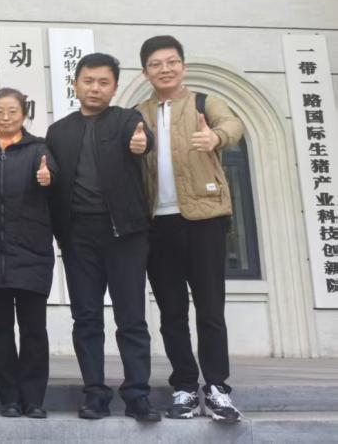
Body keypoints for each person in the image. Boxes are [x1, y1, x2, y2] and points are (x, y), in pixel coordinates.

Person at [135, 35, 246, 423]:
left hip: (204, 219)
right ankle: (183, 386)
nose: (164, 69)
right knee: (171, 312)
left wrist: (216, 136)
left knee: (210, 308)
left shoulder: (204, 102)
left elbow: (233, 124)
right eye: (156, 64)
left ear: (183, 65)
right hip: (157, 224)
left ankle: (217, 388)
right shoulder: (138, 113)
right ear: (145, 72)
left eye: (171, 62)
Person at [47, 52, 159, 422]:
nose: (95, 88)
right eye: (88, 81)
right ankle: (95, 393)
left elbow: (142, 140)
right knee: (86, 318)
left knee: (132, 318)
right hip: (78, 236)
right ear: (75, 84)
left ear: (114, 87)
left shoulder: (128, 120)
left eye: (103, 83)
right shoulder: (58, 131)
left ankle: (138, 395)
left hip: (124, 234)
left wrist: (142, 143)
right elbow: (53, 184)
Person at [0, 88, 57, 419]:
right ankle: (9, 399)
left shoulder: (39, 149)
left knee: (34, 330)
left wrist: (48, 178)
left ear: (24, 115)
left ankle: (34, 399)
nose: (5, 117)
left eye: (12, 111)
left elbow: (57, 182)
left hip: (32, 251)